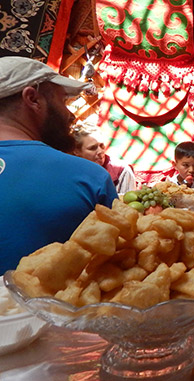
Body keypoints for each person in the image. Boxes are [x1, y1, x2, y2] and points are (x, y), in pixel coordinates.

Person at [0, 57, 118, 273]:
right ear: (33, 99)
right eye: (63, 101)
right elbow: (121, 262)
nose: (70, 114)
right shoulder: (89, 176)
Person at [71, 119, 137, 193]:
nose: (100, 151)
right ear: (76, 151)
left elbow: (128, 202)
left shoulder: (121, 170)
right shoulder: (70, 172)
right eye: (92, 148)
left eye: (101, 145)